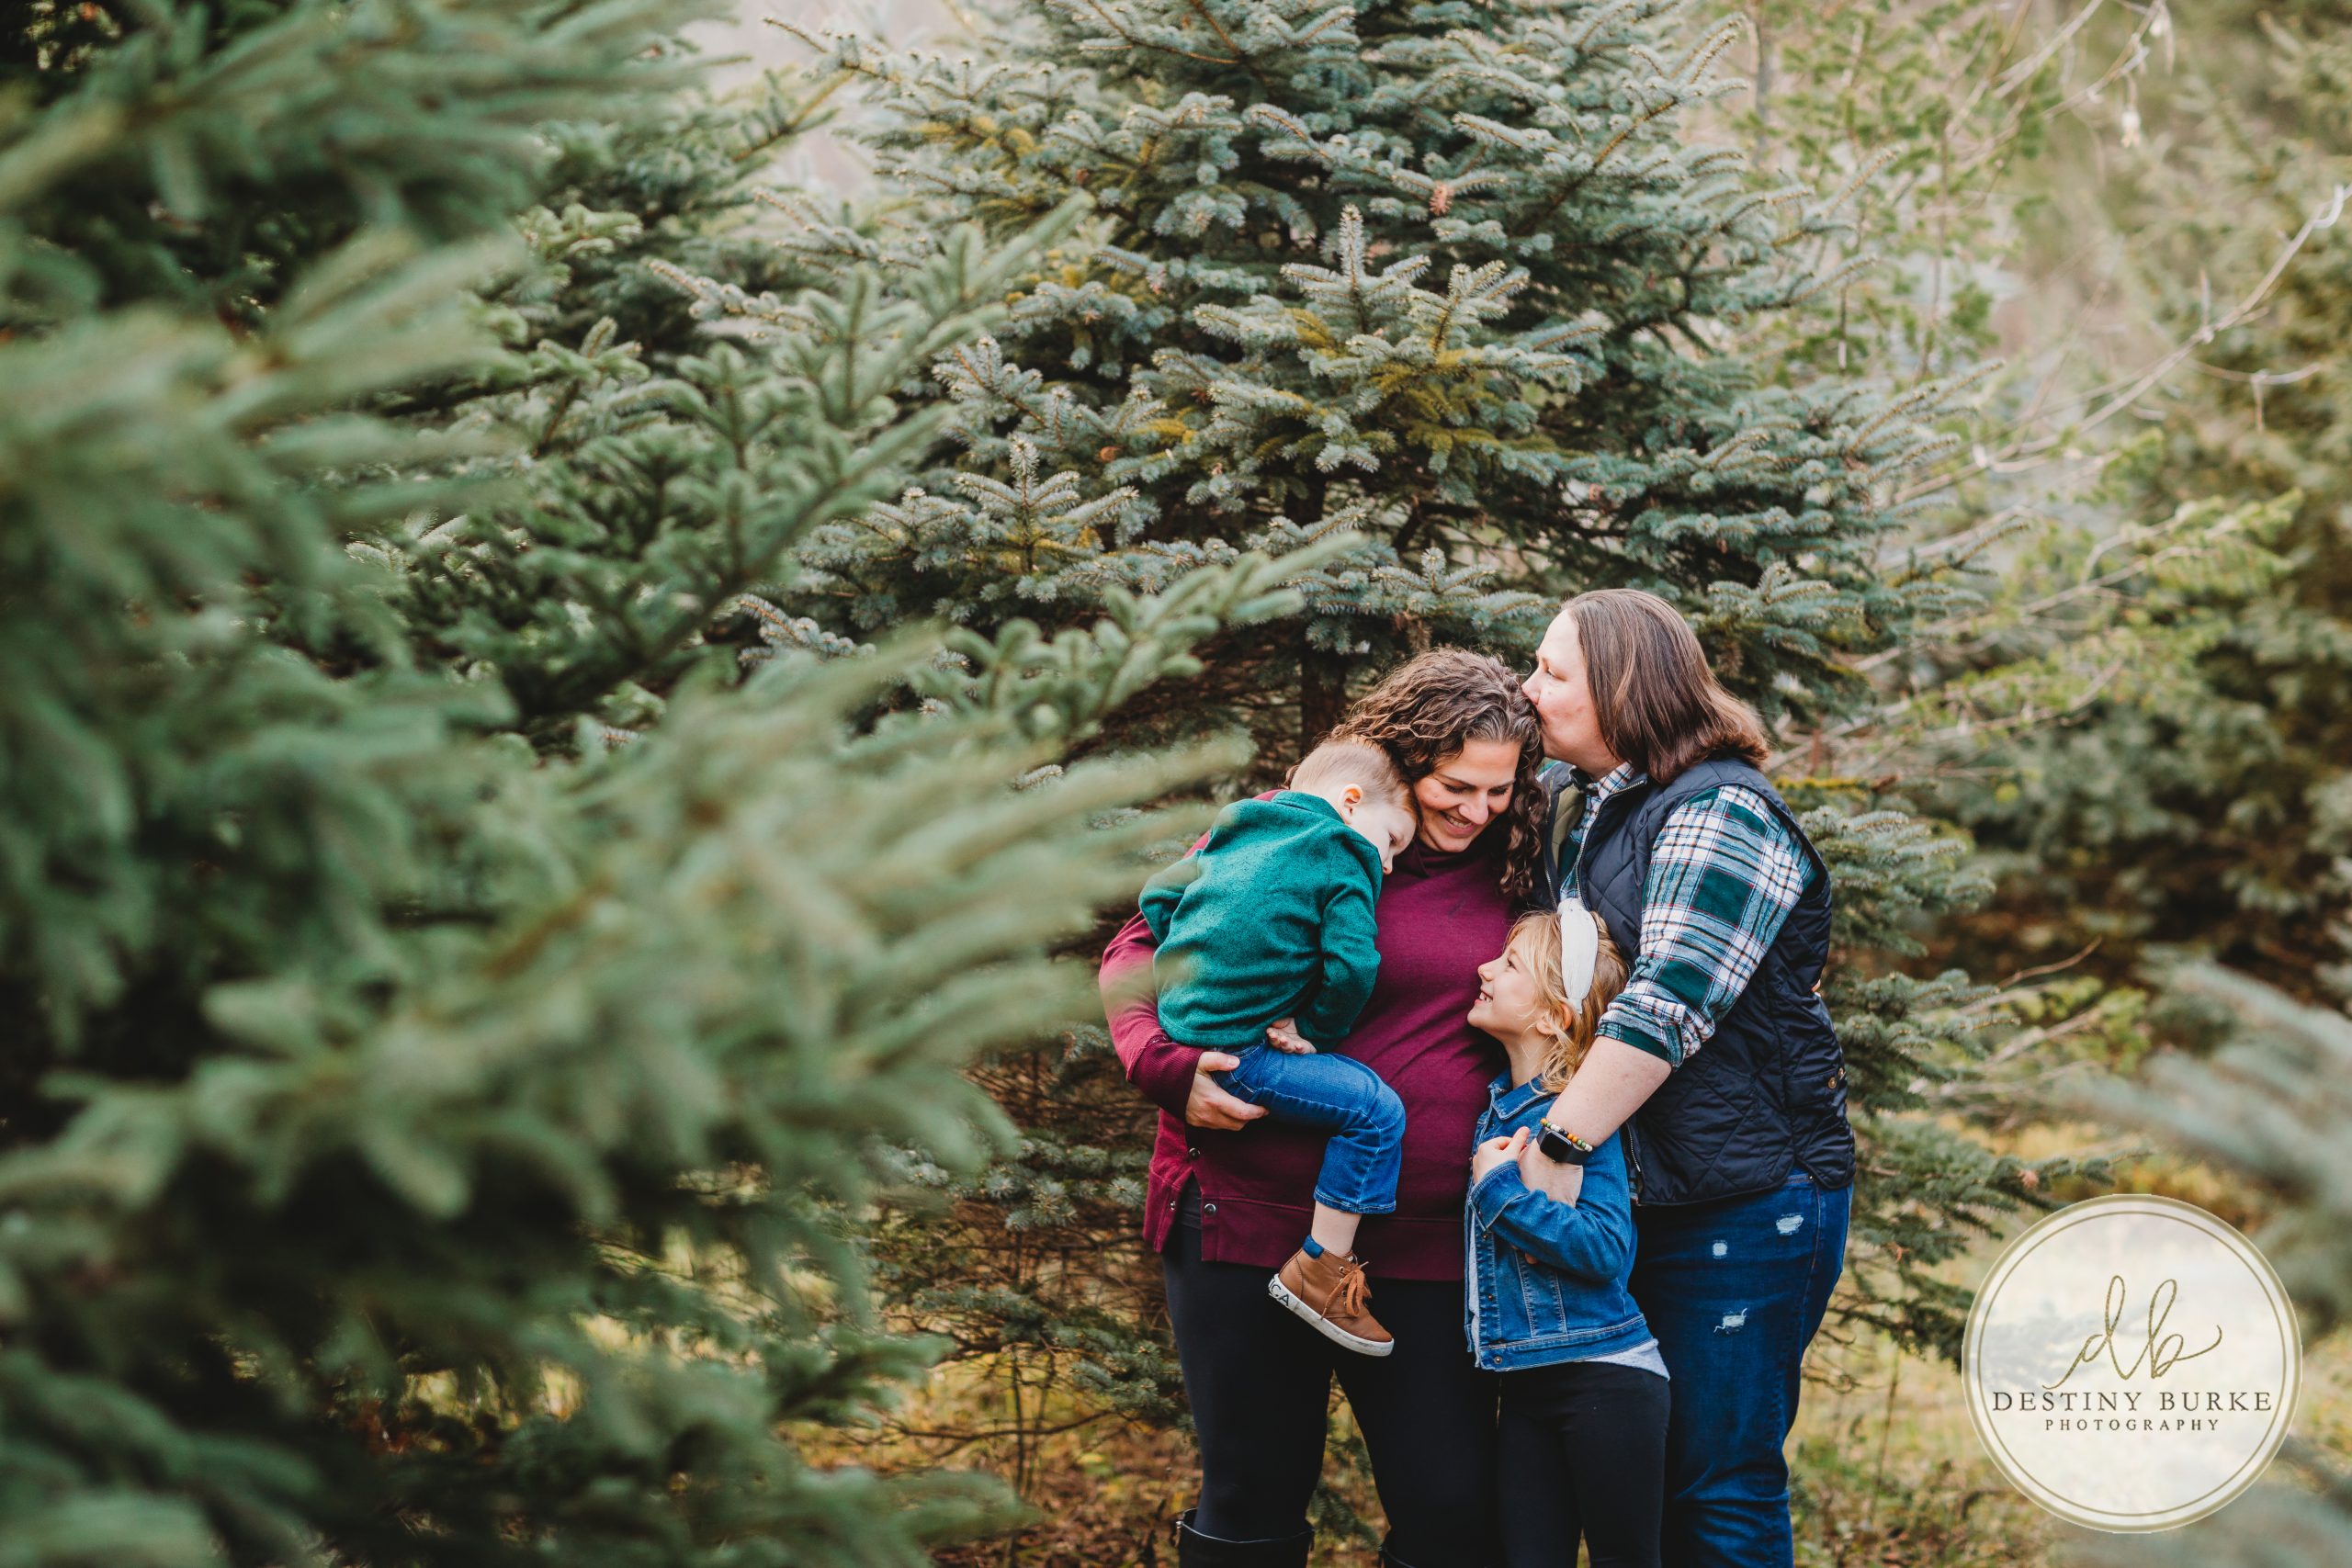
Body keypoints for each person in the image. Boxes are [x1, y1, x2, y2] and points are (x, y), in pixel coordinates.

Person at [1101, 649, 1547, 1568]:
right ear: (1401, 759)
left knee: (1452, 1510)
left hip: (1427, 1241)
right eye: (1455, 786)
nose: (1476, 811)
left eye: (1499, 792)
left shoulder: (1519, 862)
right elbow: (1140, 944)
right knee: (1250, 1500)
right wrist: (1162, 1061)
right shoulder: (1294, 830)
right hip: (1242, 1217)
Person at [1515, 588, 1857, 1568]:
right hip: (1659, 1194)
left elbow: (1670, 1000)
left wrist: (1557, 1142)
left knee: (1715, 1486)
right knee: (1655, 1484)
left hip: (1747, 1204)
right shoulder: (1592, 810)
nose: (1529, 688)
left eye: (1553, 671)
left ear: (1622, 687)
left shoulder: (1720, 808)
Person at [1138, 738, 1421, 1355]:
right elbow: (1352, 965)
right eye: (1393, 839)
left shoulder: (1242, 819)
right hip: (1240, 1052)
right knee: (1376, 1112)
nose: (1391, 862)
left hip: (1180, 1025)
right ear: (1351, 804)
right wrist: (1316, 1029)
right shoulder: (1345, 853)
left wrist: (1190, 956)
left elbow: (1159, 895)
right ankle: (1320, 1269)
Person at [1464, 906, 1668, 1568]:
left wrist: (1499, 1192)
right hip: (1524, 1382)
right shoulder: (1500, 1105)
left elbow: (1605, 1248)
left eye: (1510, 964)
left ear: (1554, 1016)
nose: (1484, 968)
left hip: (1603, 1378)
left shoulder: (1577, 1115)